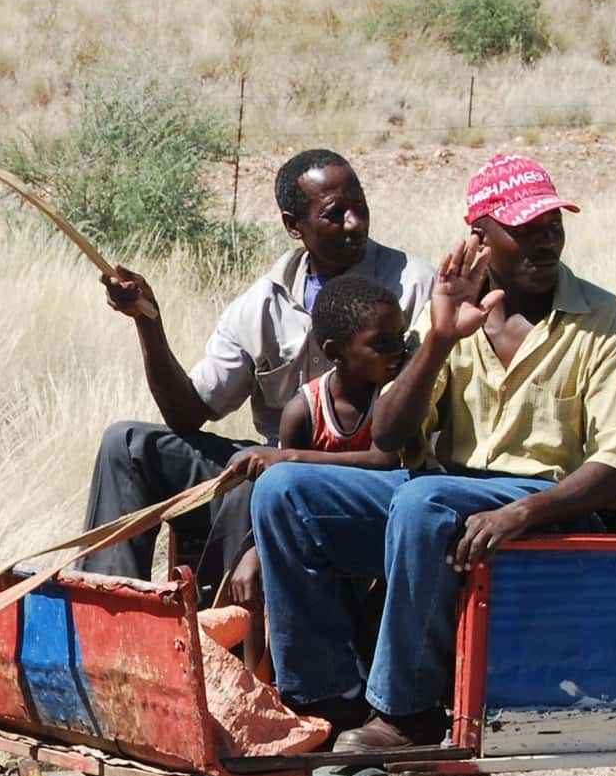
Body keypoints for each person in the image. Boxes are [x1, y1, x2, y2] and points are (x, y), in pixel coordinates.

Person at [249, 153, 616, 755]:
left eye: (552, 225)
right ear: (480, 237)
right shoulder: (456, 313)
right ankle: (323, 699)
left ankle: (408, 713)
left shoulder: (604, 323)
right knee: (283, 491)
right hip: (448, 499)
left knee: (425, 500)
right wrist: (443, 338)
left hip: (552, 509)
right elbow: (391, 437)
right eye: (523, 230)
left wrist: (522, 513)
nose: (544, 241)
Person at [83, 149, 433, 595]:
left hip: (367, 476)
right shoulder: (262, 303)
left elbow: (398, 446)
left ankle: (217, 632)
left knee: (261, 483)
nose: (354, 224)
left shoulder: (413, 286)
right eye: (334, 215)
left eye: (359, 207)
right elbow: (189, 413)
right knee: (126, 445)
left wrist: (283, 461)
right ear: (293, 225)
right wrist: (148, 323)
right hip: (278, 460)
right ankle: (107, 617)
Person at [227, 276, 408, 659]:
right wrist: (255, 552)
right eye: (382, 343)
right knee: (260, 579)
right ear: (336, 352)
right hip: (324, 537)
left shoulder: (394, 397)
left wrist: (291, 459)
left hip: (379, 531)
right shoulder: (305, 411)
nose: (397, 352)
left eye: (401, 339)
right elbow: (283, 499)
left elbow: (384, 460)